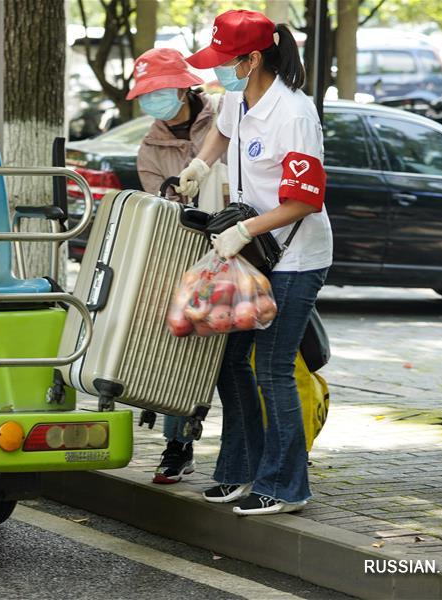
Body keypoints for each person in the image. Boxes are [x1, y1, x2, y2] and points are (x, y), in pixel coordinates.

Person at [177, 9, 332, 515]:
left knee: (272, 368)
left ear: (254, 58)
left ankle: (287, 486)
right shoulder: (236, 99)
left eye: (227, 60)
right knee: (228, 362)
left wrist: (243, 229)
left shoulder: (294, 114)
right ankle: (239, 471)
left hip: (294, 255)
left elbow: (305, 201)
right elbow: (221, 134)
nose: (219, 69)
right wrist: (199, 165)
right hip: (252, 251)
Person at [126, 47, 222, 485]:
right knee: (182, 348)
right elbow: (157, 208)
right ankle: (178, 444)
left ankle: (253, 448)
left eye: (157, 90)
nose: (151, 101)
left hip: (241, 243)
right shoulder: (150, 147)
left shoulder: (223, 114)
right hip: (183, 252)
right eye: (145, 94)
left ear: (184, 85)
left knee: (244, 362)